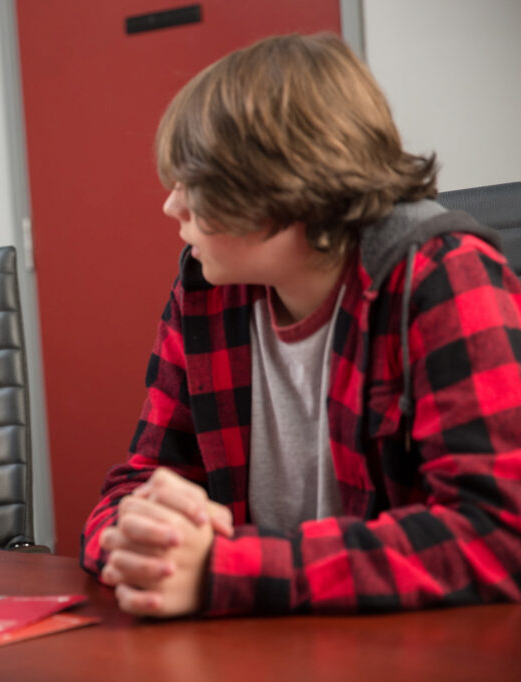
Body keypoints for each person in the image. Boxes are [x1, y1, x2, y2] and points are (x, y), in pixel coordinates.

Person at [81, 33, 521, 617]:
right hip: (265, 648)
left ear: (283, 189)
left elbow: (496, 535)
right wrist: (138, 540)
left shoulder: (443, 278)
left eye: (197, 185)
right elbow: (137, 483)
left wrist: (226, 568)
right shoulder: (205, 293)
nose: (172, 206)